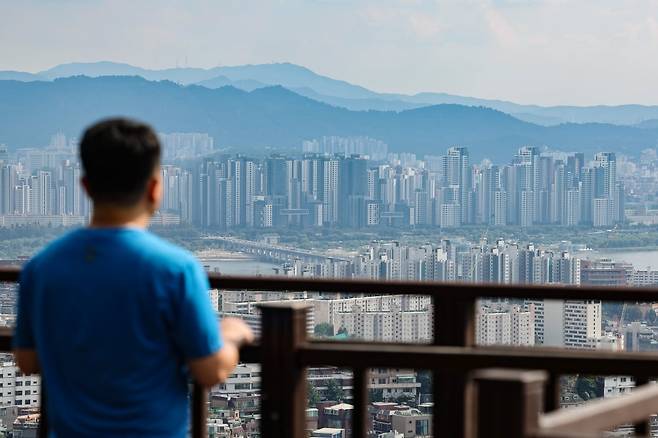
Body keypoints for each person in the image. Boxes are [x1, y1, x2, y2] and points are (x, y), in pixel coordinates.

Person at [12, 118, 253, 437]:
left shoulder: (41, 268)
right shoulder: (176, 269)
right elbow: (211, 370)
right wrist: (233, 332)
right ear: (154, 188)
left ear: (85, 186)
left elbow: (27, 360)